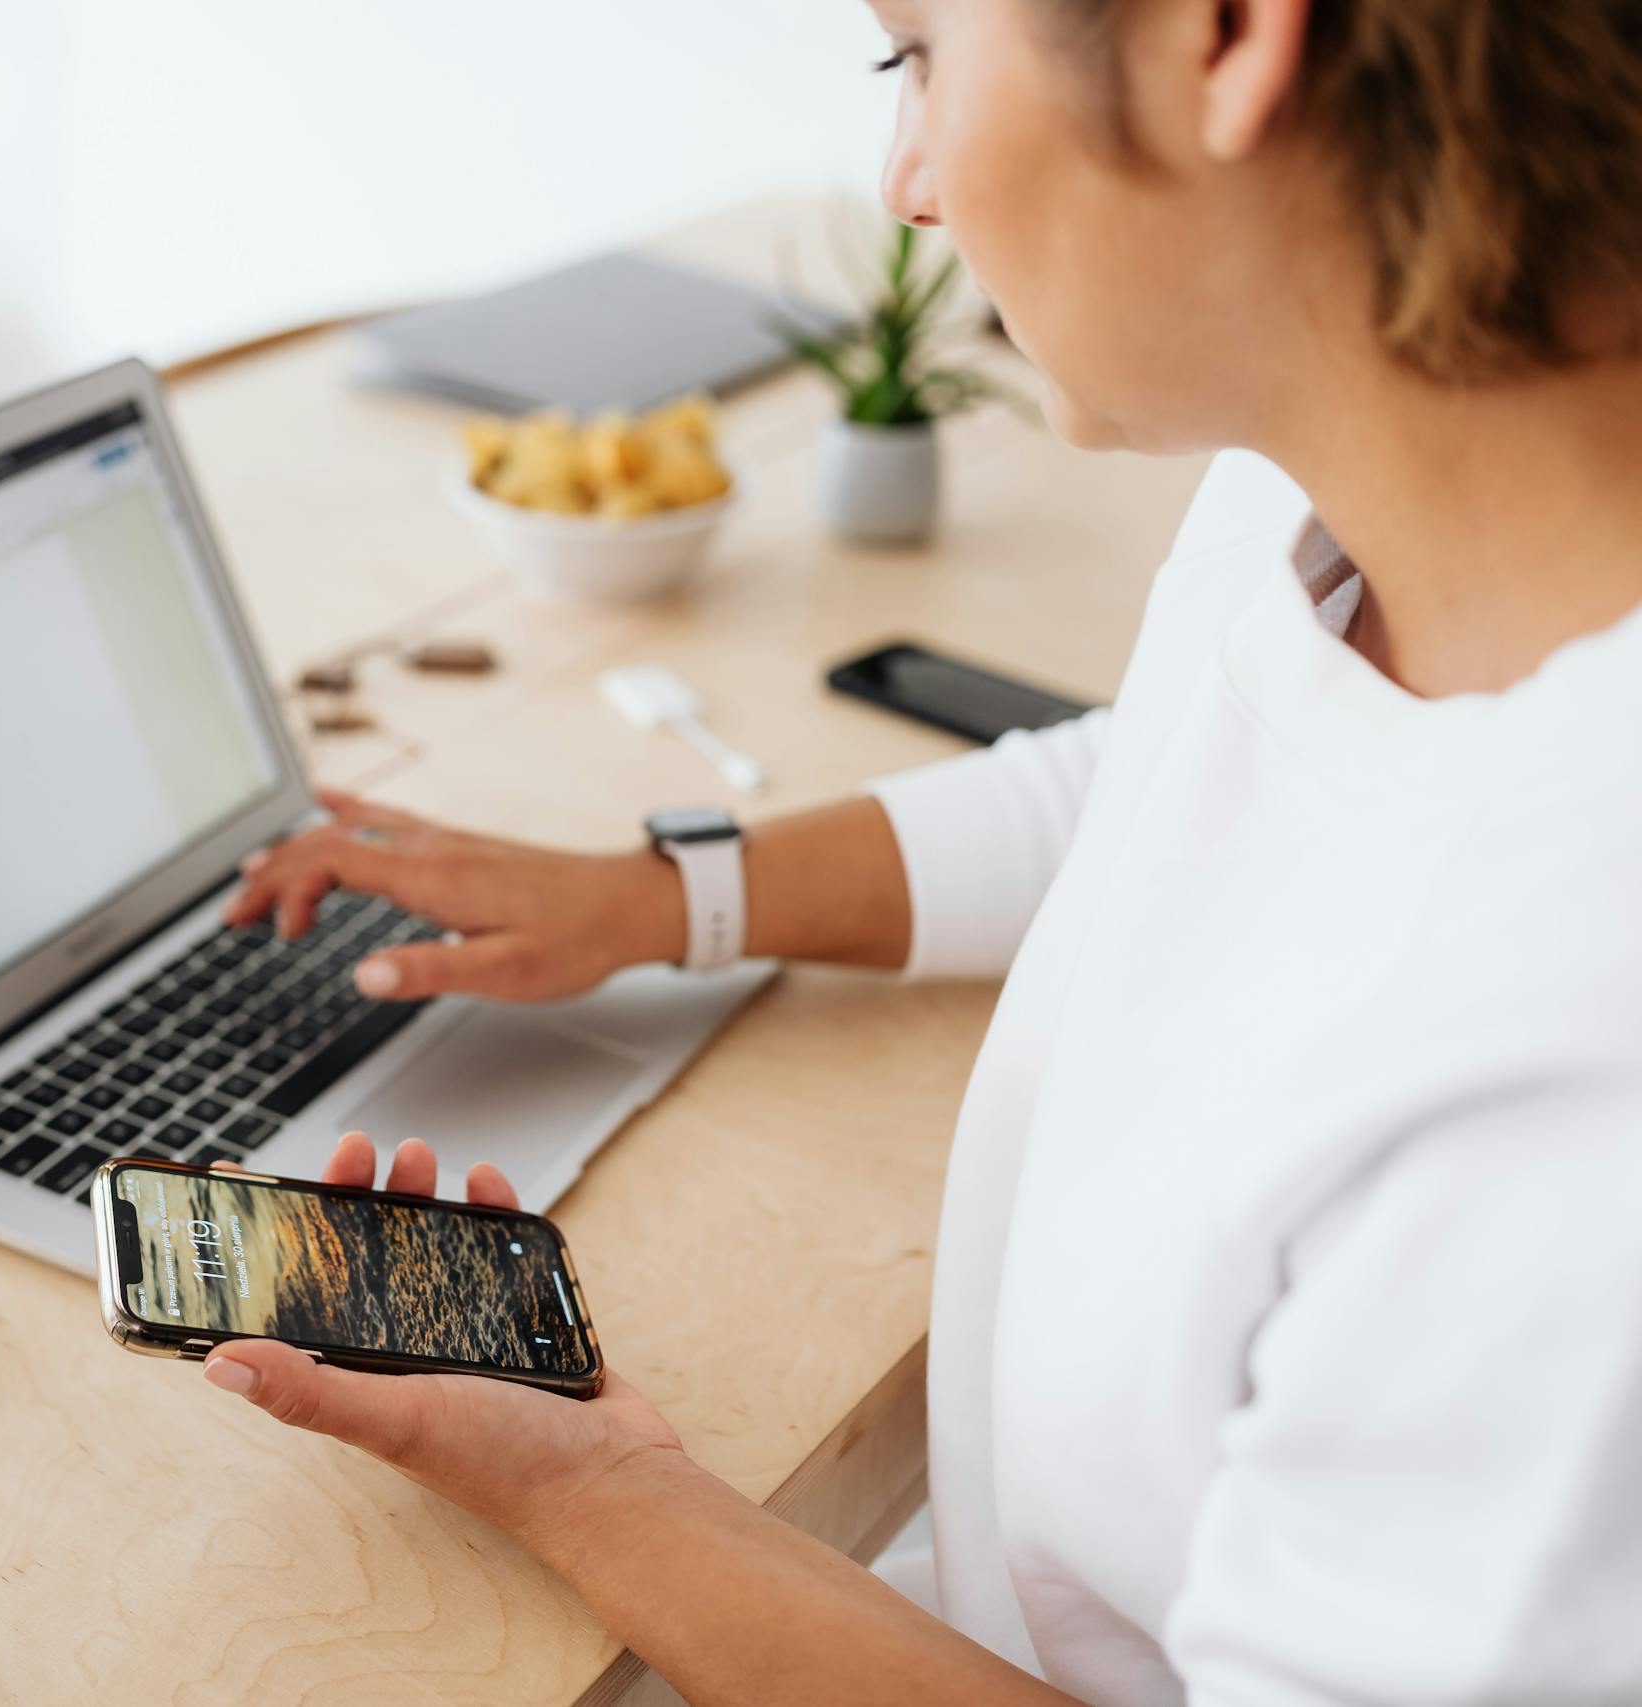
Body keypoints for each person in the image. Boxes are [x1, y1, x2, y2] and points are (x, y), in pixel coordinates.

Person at [212, 0, 1642, 1699]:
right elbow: (1176, 768)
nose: (906, 180)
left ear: (1225, 37)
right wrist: (664, 898)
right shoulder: (1345, 482)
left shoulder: (1575, 1083)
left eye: (921, 57)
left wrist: (598, 1490)